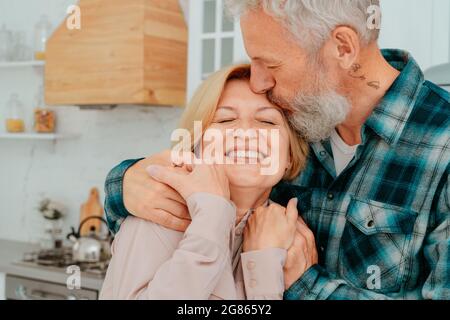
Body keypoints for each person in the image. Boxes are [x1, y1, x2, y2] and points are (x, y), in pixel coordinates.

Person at [104, 0, 450, 299]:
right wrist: (124, 183)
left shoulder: (441, 147)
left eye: (271, 65)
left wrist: (302, 281)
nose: (259, 83)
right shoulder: (303, 115)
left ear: (343, 48)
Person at [100, 65, 311, 299]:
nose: (246, 132)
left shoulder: (290, 233)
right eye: (225, 119)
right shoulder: (159, 212)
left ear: (290, 157)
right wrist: (213, 217)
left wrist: (264, 261)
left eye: (267, 122)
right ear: (195, 144)